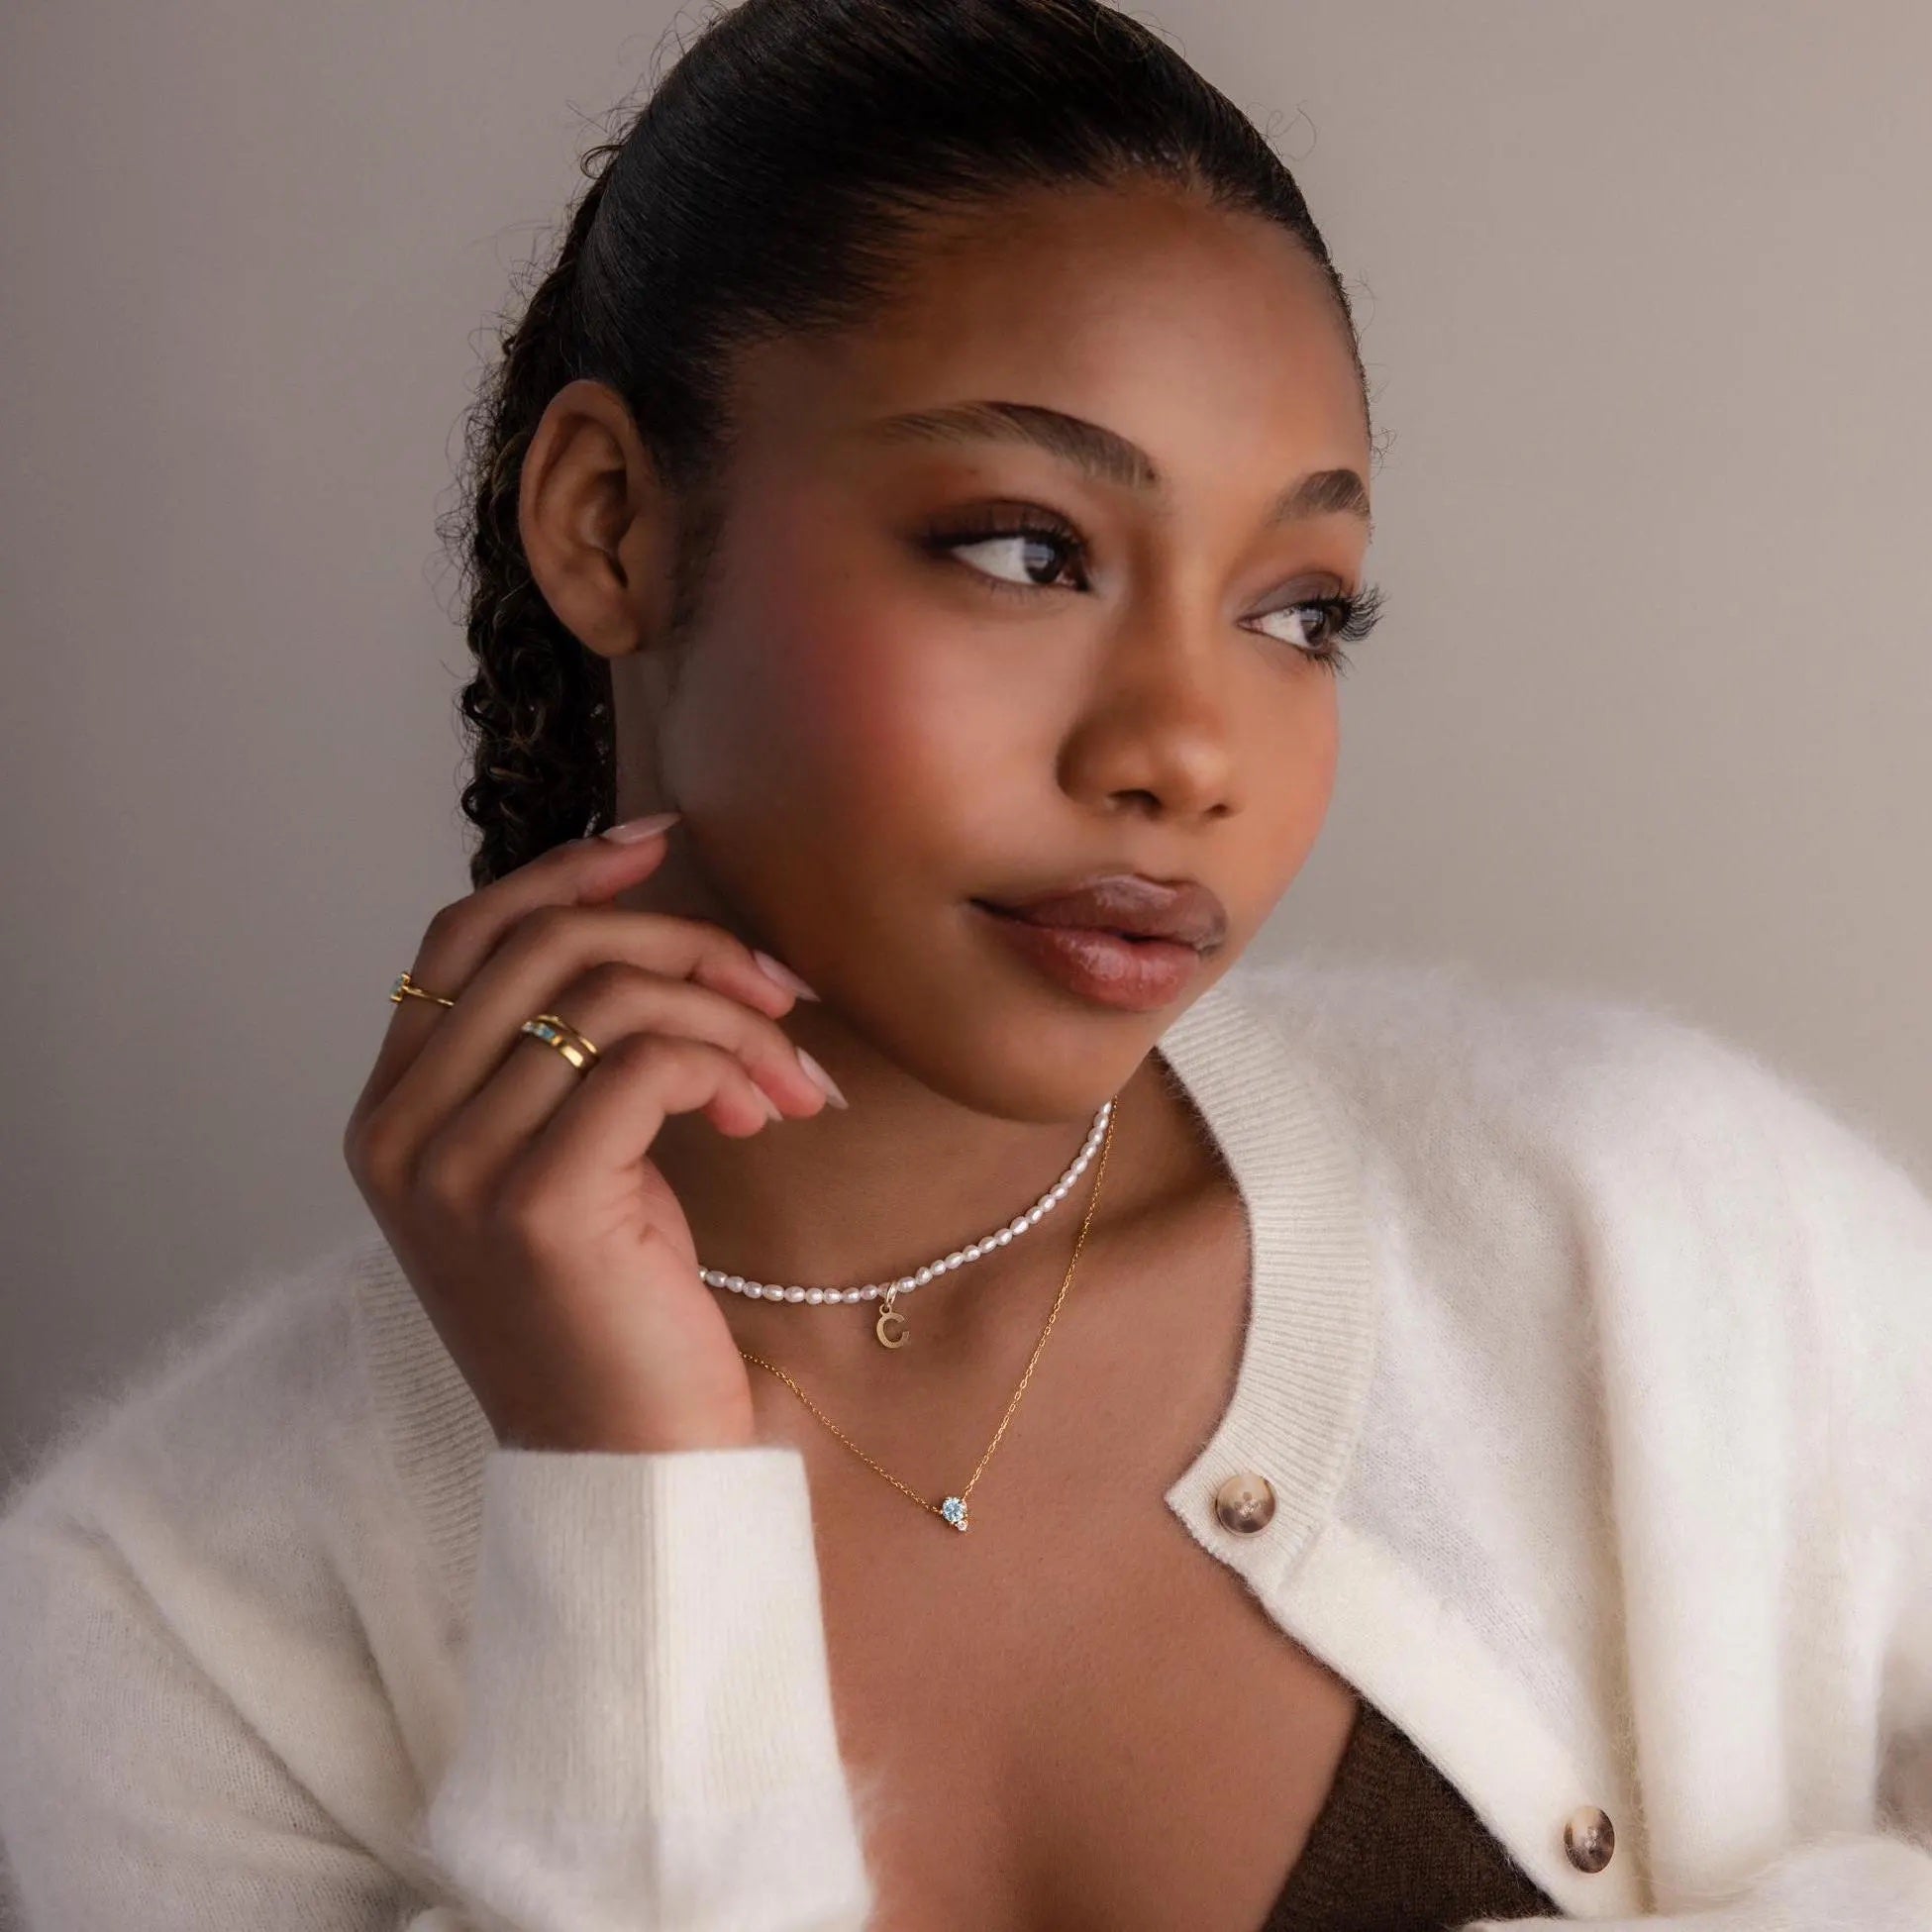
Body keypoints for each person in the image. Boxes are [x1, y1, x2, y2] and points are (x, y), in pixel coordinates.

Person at [2, 1, 1929, 1927]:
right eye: (1024, 549)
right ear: (611, 527)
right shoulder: (164, 1629)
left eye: (1298, 608)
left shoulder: (1663, 1236)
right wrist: (632, 1520)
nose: (1187, 747)